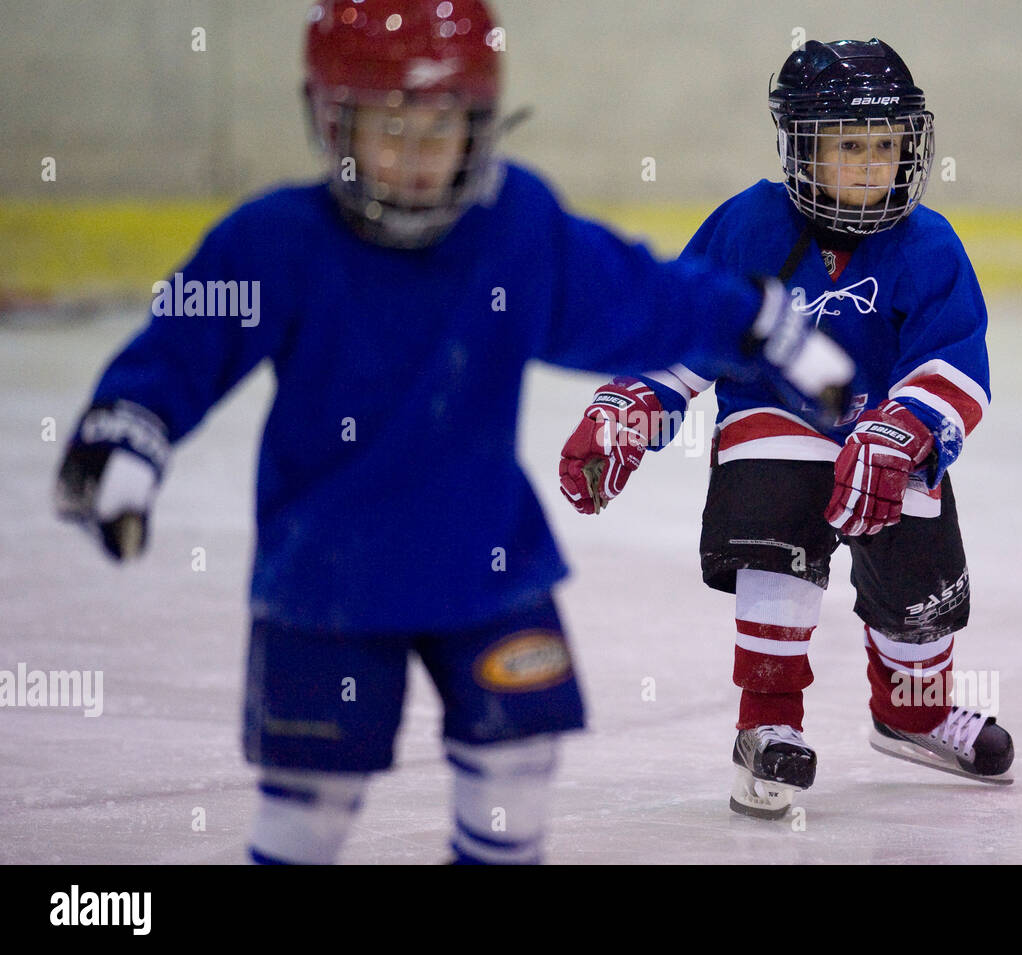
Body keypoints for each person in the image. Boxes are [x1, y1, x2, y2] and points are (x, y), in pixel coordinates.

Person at [52, 0, 854, 864]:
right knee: (309, 809)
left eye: (442, 128)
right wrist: (126, 434)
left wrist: (757, 322)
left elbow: (638, 297)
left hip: (486, 558)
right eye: (387, 128)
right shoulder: (279, 242)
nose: (416, 158)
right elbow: (184, 344)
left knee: (516, 760)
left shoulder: (513, 228)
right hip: (327, 573)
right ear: (331, 122)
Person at [559, 39, 1014, 820]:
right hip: (776, 420)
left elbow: (955, 358)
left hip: (885, 433)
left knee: (920, 580)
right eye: (848, 145)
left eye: (885, 144)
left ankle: (911, 710)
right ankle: (767, 721)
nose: (873, 165)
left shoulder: (930, 243)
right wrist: (635, 402)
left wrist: (905, 429)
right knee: (772, 498)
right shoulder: (748, 227)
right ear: (800, 150)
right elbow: (693, 325)